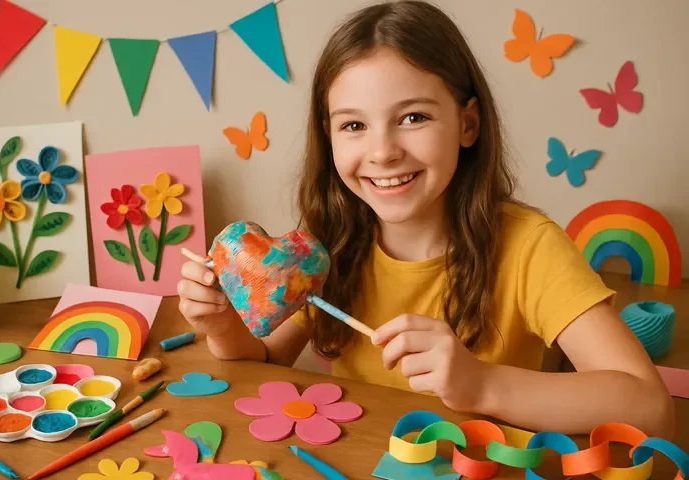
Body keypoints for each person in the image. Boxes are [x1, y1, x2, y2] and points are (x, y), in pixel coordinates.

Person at [178, 0, 674, 437]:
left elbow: (650, 407)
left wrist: (479, 384)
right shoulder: (326, 242)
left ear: (468, 124)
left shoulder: (529, 247)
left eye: (413, 117)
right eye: (353, 125)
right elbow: (262, 362)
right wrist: (222, 325)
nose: (383, 152)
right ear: (329, 138)